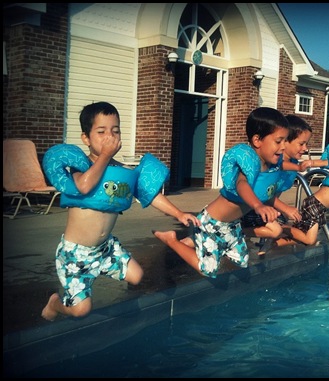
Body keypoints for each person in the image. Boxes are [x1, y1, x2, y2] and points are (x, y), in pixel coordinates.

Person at [41, 101, 200, 321]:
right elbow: (84, 186)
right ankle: (55, 304)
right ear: (86, 138)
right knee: (81, 310)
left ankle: (94, 277)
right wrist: (104, 157)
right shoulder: (81, 166)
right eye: (101, 131)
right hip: (75, 253)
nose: (110, 137)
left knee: (137, 276)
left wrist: (179, 214)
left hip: (105, 248)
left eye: (115, 131)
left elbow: (149, 194)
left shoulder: (122, 172)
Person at [153, 107, 290, 277]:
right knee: (209, 269)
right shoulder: (247, 163)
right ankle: (171, 239)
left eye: (285, 141)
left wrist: (286, 208)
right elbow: (241, 185)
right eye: (279, 141)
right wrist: (258, 206)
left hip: (232, 226)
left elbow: (267, 191)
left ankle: (196, 241)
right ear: (257, 140)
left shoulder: (268, 168)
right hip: (211, 223)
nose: (283, 147)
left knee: (241, 261)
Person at [241, 114, 313, 255]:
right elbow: (263, 193)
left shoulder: (292, 163)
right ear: (286, 142)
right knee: (279, 228)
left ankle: (265, 243)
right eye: (301, 143)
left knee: (292, 227)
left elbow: (274, 193)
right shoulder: (273, 165)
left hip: (267, 207)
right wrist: (285, 208)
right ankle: (237, 232)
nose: (305, 148)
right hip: (251, 208)